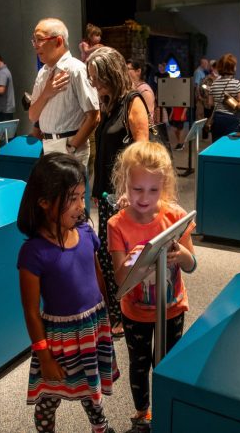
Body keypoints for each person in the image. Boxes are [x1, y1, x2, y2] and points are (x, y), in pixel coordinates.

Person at [17, 152, 119, 433]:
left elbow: (97, 273)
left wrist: (107, 313)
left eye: (82, 196)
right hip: (59, 338)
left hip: (92, 326)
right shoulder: (33, 252)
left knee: (91, 387)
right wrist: (45, 357)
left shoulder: (86, 231)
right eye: (71, 198)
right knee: (49, 396)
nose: (80, 206)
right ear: (44, 201)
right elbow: (30, 310)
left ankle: (101, 427)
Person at [108, 141, 196, 432]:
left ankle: (167, 409)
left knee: (168, 363)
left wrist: (181, 255)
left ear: (164, 187)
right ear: (125, 184)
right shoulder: (116, 225)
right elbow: (120, 280)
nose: (144, 198)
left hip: (172, 306)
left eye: (153, 190)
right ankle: (142, 413)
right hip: (136, 310)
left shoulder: (174, 217)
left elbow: (192, 265)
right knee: (140, 363)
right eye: (137, 189)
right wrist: (136, 261)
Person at [87, 46, 149, 339]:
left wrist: (129, 190)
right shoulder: (109, 103)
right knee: (109, 256)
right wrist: (98, 188)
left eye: (99, 79)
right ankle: (116, 311)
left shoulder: (132, 102)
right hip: (107, 194)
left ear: (112, 74)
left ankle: (125, 313)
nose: (96, 85)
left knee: (123, 257)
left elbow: (142, 150)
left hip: (125, 195)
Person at [29, 18, 100, 168]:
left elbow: (94, 116)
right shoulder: (43, 73)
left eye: (40, 39)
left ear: (58, 41)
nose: (35, 45)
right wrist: (46, 93)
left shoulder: (76, 69)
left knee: (72, 191)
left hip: (70, 146)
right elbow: (32, 116)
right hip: (48, 145)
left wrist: (72, 147)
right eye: (34, 40)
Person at [208, 53, 240, 142]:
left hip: (217, 119)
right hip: (231, 119)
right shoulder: (237, 84)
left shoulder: (214, 84)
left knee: (217, 145)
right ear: (232, 67)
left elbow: (210, 103)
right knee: (231, 147)